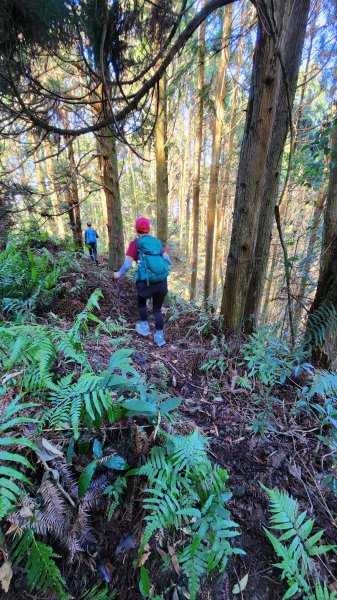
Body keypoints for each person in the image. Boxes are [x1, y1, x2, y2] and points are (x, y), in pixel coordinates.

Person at [113, 217, 170, 347]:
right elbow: (168, 260)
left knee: (142, 303)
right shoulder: (157, 242)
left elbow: (127, 265)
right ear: (149, 229)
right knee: (157, 310)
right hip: (161, 282)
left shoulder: (135, 243)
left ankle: (144, 327)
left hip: (145, 283)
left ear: (136, 229)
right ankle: (159, 337)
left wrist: (118, 274)